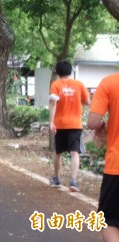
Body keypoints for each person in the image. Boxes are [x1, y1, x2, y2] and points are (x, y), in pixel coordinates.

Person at [48, 60, 90, 192]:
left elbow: (53, 103)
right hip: (75, 124)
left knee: (58, 152)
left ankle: (57, 179)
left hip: (60, 124)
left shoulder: (55, 84)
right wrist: (77, 101)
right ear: (70, 71)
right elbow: (88, 101)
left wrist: (51, 122)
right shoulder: (79, 84)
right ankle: (73, 182)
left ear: (57, 72)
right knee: (74, 152)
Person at [87, 72, 119, 242]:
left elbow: (92, 121)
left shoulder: (110, 82)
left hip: (117, 167)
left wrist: (101, 126)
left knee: (108, 221)